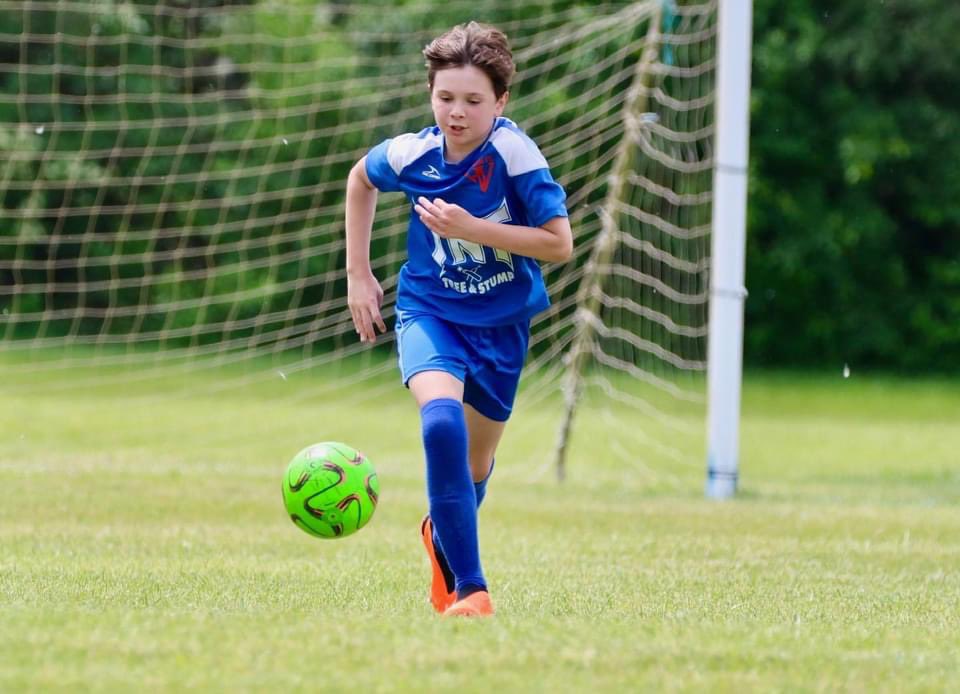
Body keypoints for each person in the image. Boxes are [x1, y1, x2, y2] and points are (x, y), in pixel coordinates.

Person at [344, 21, 572, 617]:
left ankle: (440, 533)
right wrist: (358, 274)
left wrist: (472, 229)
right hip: (429, 311)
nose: (457, 112)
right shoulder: (413, 154)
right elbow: (360, 180)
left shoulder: (514, 155)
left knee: (472, 470)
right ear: (430, 94)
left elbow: (558, 245)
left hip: (501, 328)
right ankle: (471, 590)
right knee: (439, 423)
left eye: (473, 100)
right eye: (445, 97)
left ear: (501, 102)